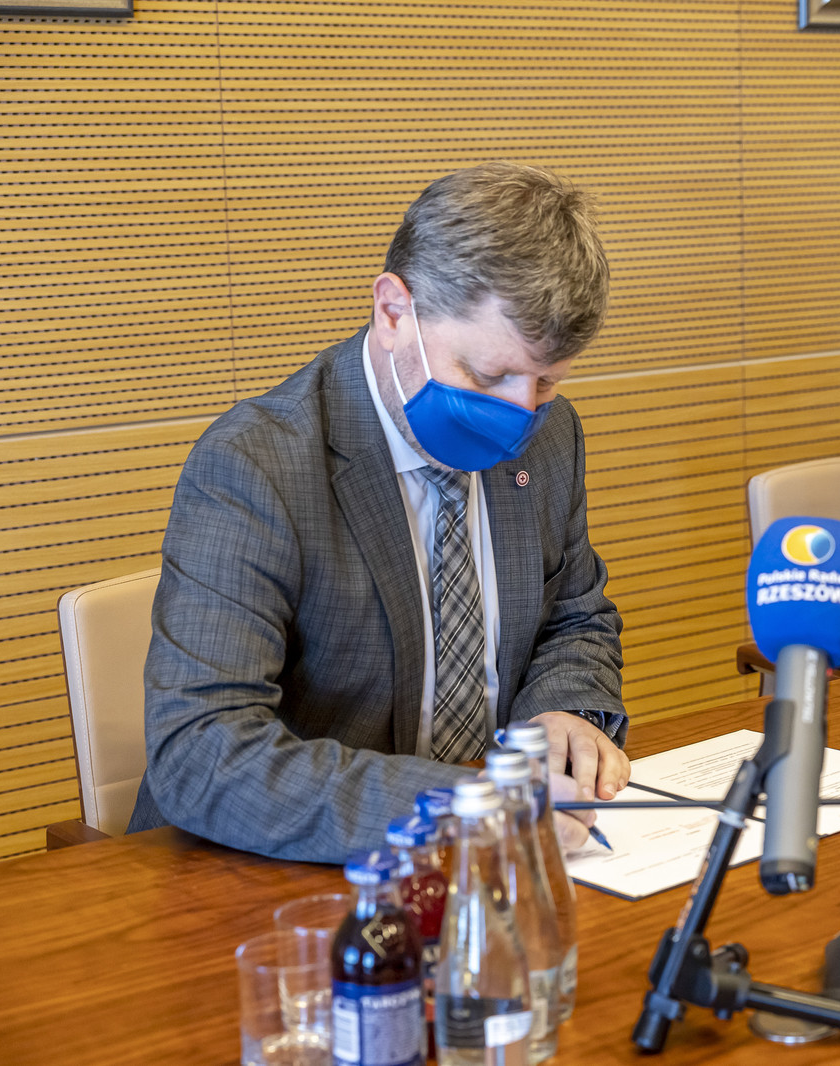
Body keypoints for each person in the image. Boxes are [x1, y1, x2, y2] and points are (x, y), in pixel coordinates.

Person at [128, 162, 629, 861]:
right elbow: (202, 752)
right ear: (394, 312)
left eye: (546, 381)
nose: (520, 414)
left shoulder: (553, 438)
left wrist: (563, 708)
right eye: (487, 376)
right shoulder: (256, 463)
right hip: (274, 873)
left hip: (498, 867)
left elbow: (574, 616)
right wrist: (467, 808)